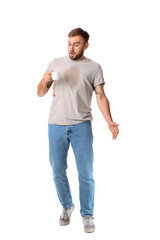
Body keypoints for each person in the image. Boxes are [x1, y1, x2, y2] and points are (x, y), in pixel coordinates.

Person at [37, 28, 119, 233]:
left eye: (76, 44)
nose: (71, 48)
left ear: (85, 45)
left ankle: (87, 214)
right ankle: (67, 206)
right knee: (57, 172)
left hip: (81, 125)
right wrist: (44, 81)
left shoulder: (94, 67)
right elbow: (40, 93)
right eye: (69, 43)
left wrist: (109, 121)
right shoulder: (55, 63)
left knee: (86, 173)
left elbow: (100, 96)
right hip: (55, 125)